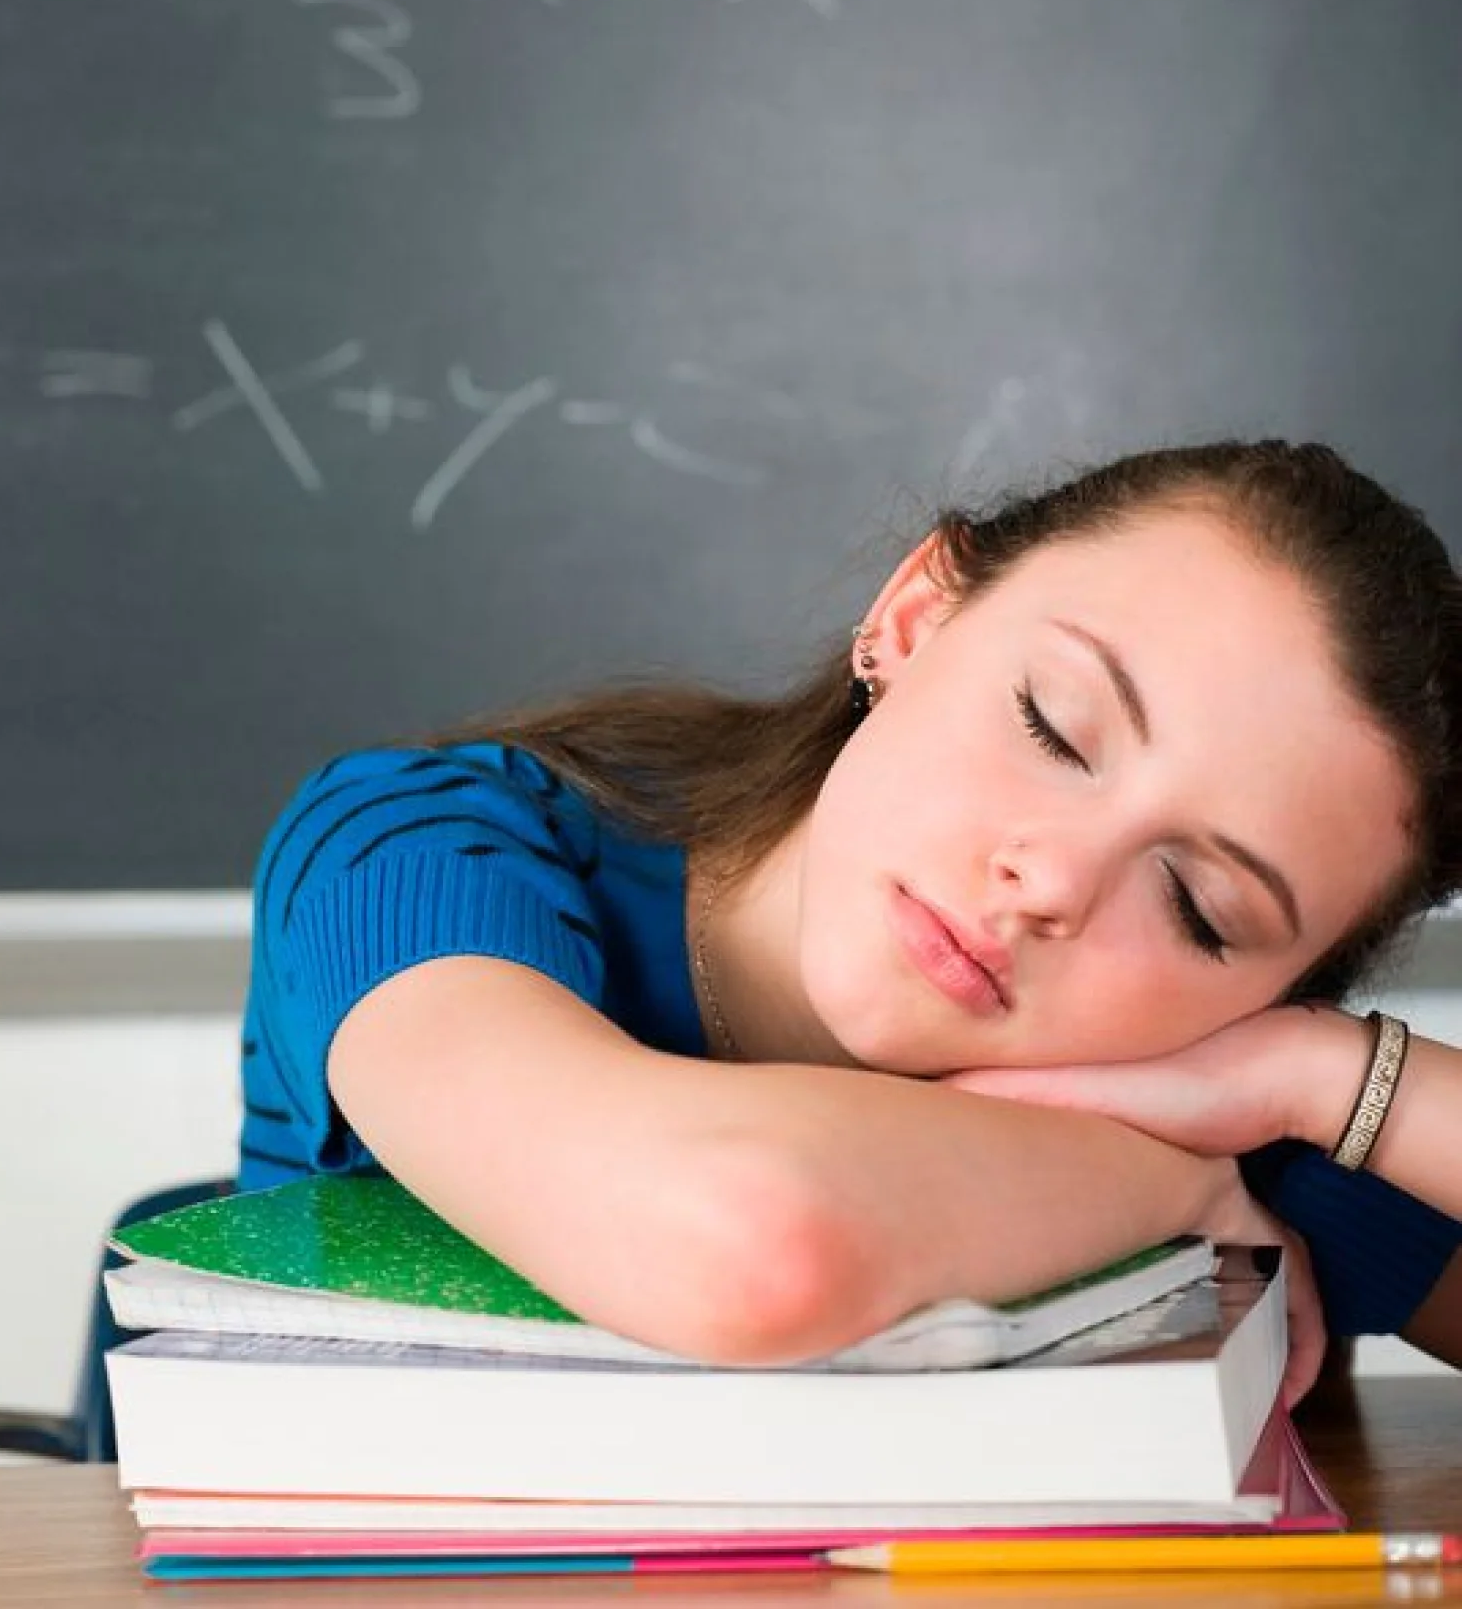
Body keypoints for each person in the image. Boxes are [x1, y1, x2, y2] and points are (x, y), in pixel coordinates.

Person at [237, 438, 1462, 1401]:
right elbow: (753, 1243)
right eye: (1052, 726)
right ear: (915, 622)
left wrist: (1340, 1077)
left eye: (1200, 909)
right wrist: (1168, 1190)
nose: (1050, 882)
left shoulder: (1214, 1084)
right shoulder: (422, 846)